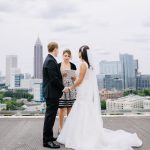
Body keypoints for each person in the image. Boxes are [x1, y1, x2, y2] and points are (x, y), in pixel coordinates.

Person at [57, 45, 142, 150]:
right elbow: (82, 78)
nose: (78, 53)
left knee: (82, 109)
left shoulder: (83, 64)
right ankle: (85, 132)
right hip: (85, 89)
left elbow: (80, 80)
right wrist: (75, 78)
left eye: (79, 51)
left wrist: (70, 87)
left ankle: (82, 135)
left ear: (82, 53)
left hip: (83, 90)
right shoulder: (87, 65)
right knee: (84, 109)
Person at [42, 42, 68, 149]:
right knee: (50, 117)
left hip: (51, 93)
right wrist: (63, 88)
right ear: (55, 49)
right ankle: (47, 141)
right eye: (58, 49)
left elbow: (54, 76)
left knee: (51, 117)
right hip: (51, 93)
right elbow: (54, 79)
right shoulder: (51, 61)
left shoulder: (50, 60)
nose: (58, 51)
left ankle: (49, 137)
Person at [58, 49, 77, 133]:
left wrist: (73, 77)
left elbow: (76, 78)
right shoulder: (58, 65)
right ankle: (60, 128)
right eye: (65, 55)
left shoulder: (73, 65)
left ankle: (69, 128)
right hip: (62, 88)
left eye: (68, 56)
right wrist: (62, 75)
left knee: (70, 108)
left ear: (70, 57)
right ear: (62, 56)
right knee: (62, 109)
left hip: (71, 89)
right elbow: (56, 78)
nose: (67, 57)